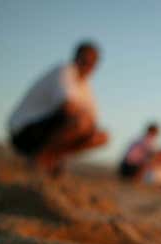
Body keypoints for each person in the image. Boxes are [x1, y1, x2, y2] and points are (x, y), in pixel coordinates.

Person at [8, 41, 108, 176]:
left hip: (46, 131)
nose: (89, 66)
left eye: (93, 63)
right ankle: (39, 160)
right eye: (85, 61)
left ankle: (51, 159)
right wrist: (85, 118)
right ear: (76, 57)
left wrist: (87, 121)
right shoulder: (65, 71)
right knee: (80, 122)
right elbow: (67, 106)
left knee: (101, 136)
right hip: (24, 131)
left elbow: (93, 120)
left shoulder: (84, 85)